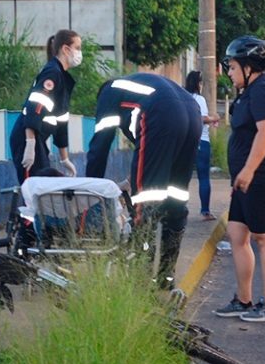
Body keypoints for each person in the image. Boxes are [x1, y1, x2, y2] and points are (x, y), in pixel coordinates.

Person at [86, 72, 202, 288]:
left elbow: (99, 148)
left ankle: (141, 281)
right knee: (176, 199)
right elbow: (151, 151)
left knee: (145, 203)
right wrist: (133, 177)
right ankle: (166, 278)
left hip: (161, 111)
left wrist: (89, 191)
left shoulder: (108, 94)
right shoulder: (132, 87)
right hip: (193, 113)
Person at [213, 35, 265, 322]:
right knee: (237, 235)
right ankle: (243, 300)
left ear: (249, 66)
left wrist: (248, 170)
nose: (229, 73)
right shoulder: (249, 91)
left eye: (232, 67)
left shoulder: (264, 91)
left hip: (261, 176)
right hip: (245, 179)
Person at [9, 30, 81, 185]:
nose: (79, 53)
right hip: (27, 138)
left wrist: (64, 158)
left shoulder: (62, 77)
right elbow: (35, 105)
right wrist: (30, 143)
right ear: (66, 49)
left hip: (38, 141)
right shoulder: (52, 73)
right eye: (78, 47)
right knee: (36, 189)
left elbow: (61, 121)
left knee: (45, 188)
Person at [184, 70, 220, 221]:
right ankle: (205, 211)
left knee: (182, 178)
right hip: (201, 142)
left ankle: (178, 209)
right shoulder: (199, 99)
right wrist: (213, 118)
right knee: (204, 177)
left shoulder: (183, 98)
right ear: (198, 83)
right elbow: (202, 118)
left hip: (185, 142)